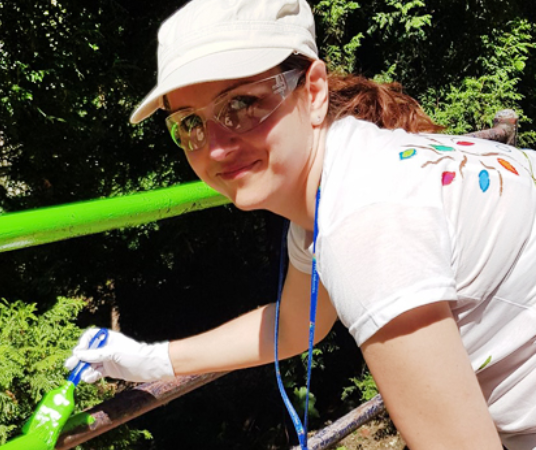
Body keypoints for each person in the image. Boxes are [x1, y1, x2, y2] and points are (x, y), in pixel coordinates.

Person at [65, 0, 536, 448]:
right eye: (190, 123)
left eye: (242, 104)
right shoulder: (349, 171)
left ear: (313, 90)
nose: (216, 148)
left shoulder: (365, 220)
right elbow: (297, 324)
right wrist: (149, 360)